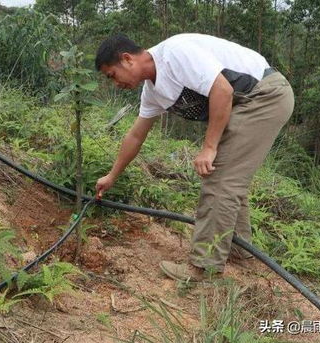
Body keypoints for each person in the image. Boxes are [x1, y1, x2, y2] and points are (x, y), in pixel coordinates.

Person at [94, 33, 294, 282]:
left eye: (112, 75)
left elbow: (222, 90)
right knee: (228, 178)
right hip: (246, 103)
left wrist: (209, 147)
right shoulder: (152, 92)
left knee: (221, 179)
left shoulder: (175, 54)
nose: (115, 83)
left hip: (264, 96)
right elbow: (136, 135)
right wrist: (112, 176)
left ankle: (204, 267)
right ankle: (239, 252)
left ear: (126, 59)